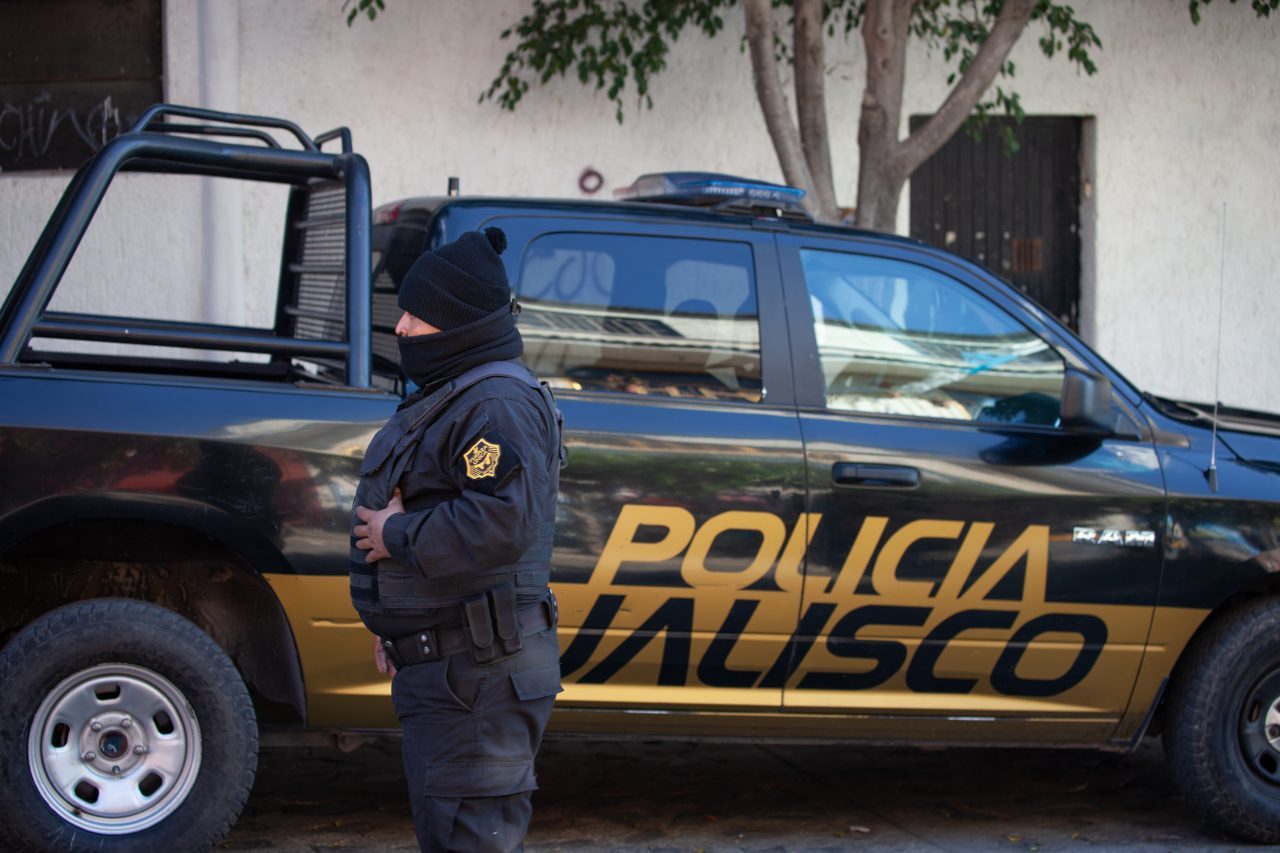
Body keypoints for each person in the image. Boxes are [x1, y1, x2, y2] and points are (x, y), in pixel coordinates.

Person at [348, 226, 563, 852]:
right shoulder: (457, 396)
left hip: (479, 676)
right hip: (452, 666)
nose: (402, 327)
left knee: (471, 839)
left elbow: (503, 520)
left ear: (461, 323)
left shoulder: (495, 403)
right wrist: (404, 630)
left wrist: (398, 534)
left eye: (419, 315)